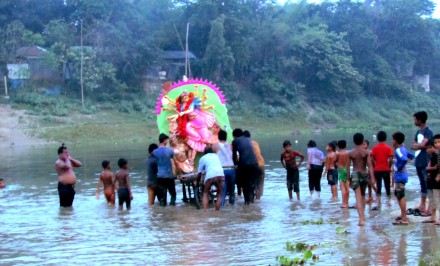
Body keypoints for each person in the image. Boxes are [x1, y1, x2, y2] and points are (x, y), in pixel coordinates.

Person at [175, 90, 216, 163]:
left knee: (205, 138)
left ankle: (207, 149)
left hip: (199, 121)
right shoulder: (181, 107)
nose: (185, 98)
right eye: (183, 97)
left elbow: (190, 110)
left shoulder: (190, 104)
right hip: (192, 123)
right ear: (181, 99)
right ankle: (192, 159)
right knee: (188, 129)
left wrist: (183, 112)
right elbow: (179, 114)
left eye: (186, 97)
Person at [347, 133, 375, 226]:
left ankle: (361, 219)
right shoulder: (366, 152)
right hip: (364, 174)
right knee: (363, 196)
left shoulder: (350, 153)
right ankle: (363, 216)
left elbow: (347, 168)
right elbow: (370, 166)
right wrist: (373, 178)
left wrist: (348, 179)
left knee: (358, 197)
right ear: (362, 141)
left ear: (353, 141)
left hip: (355, 174)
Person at [411, 111, 433, 216]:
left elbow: (423, 145)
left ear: (420, 120)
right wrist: (419, 145)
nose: (414, 121)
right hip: (418, 161)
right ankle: (422, 204)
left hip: (426, 161)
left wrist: (418, 145)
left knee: (427, 183)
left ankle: (429, 207)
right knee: (422, 184)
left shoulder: (428, 132)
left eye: (415, 119)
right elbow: (413, 145)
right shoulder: (418, 132)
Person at [392, 132, 415, 225]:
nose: (391, 141)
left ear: (395, 141)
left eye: (392, 139)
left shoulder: (398, 150)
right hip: (402, 175)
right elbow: (412, 156)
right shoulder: (403, 149)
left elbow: (404, 159)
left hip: (400, 176)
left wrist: (400, 166)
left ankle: (404, 218)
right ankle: (403, 214)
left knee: (400, 196)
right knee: (399, 194)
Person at [232, 128, 259, 205]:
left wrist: (235, 165)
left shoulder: (235, 141)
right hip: (255, 164)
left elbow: (234, 155)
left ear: (234, 136)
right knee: (250, 184)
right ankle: (251, 203)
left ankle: (247, 203)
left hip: (245, 164)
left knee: (244, 184)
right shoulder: (248, 140)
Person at [371, 131, 394, 210]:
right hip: (386, 169)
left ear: (377, 138)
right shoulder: (388, 148)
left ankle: (379, 203)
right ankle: (389, 202)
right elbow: (391, 159)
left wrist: (375, 165)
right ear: (385, 138)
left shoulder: (375, 148)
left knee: (379, 185)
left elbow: (372, 158)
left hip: (377, 169)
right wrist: (389, 167)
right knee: (387, 185)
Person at [212, 129, 236, 206]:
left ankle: (221, 211)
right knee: (232, 191)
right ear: (226, 137)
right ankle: (232, 208)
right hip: (232, 169)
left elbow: (212, 157)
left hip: (222, 170)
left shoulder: (215, 146)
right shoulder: (231, 146)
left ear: (218, 137)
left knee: (222, 191)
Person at [153, 133, 176, 206]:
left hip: (160, 176)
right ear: (165, 141)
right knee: (173, 194)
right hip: (169, 176)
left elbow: (154, 164)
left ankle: (164, 212)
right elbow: (175, 162)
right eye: (166, 140)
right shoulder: (170, 151)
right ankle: (172, 209)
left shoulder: (154, 152)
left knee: (163, 197)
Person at [244, 130, 266, 200]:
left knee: (250, 183)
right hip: (261, 164)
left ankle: (252, 203)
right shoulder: (255, 143)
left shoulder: (245, 144)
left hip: (254, 165)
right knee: (259, 185)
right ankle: (257, 201)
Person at [423, 137, 440, 223]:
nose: (428, 149)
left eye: (430, 147)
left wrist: (429, 168)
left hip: (435, 181)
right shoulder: (432, 157)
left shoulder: (437, 156)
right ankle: (432, 216)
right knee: (431, 199)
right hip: (430, 181)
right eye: (427, 148)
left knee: (437, 199)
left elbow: (437, 167)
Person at [336, 140, 350, 208]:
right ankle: (347, 203)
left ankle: (343, 203)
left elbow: (335, 161)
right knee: (347, 187)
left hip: (341, 170)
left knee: (342, 188)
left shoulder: (338, 154)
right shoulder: (348, 153)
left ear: (338, 146)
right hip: (347, 169)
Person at [362, 140, 376, 204]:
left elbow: (373, 162)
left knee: (371, 184)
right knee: (369, 185)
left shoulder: (370, 152)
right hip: (368, 170)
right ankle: (370, 197)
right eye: (362, 144)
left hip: (372, 170)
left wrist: (373, 171)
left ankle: (378, 194)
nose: (363, 146)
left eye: (364, 144)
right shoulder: (363, 153)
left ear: (368, 145)